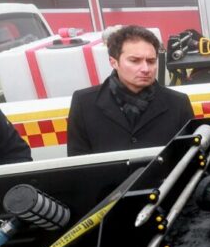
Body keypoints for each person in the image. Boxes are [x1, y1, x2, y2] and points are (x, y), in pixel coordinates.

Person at [66, 25, 194, 156]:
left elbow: (190, 158)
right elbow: (77, 164)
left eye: (151, 61)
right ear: (114, 62)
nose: (145, 68)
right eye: (135, 61)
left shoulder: (178, 103)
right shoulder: (84, 103)